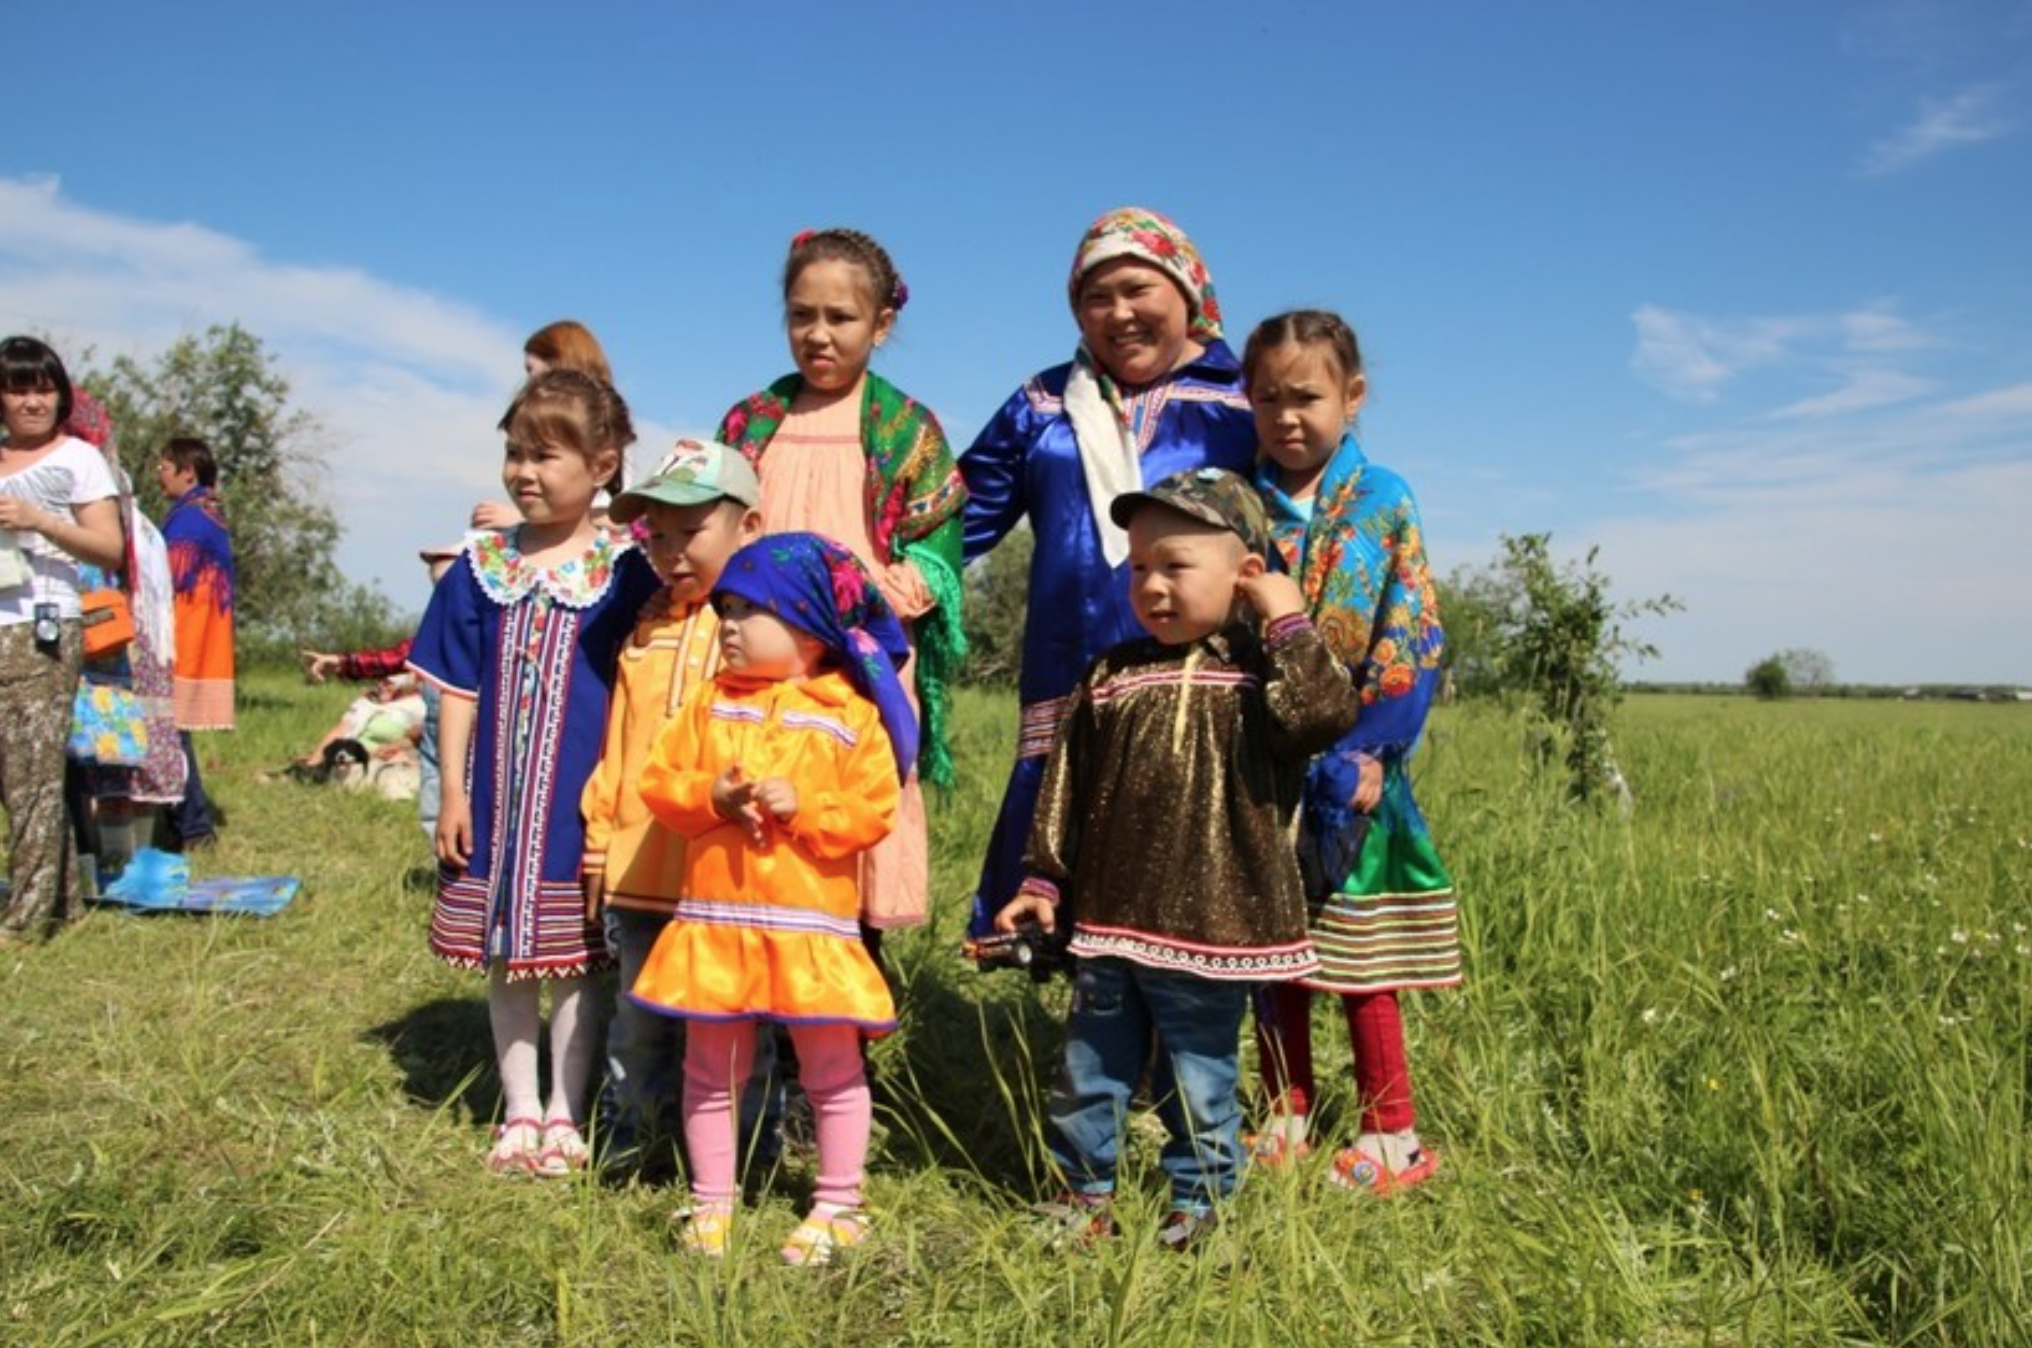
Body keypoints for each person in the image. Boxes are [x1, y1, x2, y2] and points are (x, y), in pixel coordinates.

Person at [992, 469, 1359, 1251]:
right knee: (1090, 1071)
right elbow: (1065, 786)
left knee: (1199, 1075)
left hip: (1214, 927)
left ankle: (1200, 1201)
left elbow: (1324, 713)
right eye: (1139, 568)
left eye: (1176, 565)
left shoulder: (1263, 676)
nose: (1153, 585)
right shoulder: (1112, 676)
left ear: (1244, 573)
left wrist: (1286, 616)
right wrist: (1041, 878)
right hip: (1110, 922)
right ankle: (1082, 1193)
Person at [960, 207, 1256, 935]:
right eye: (1096, 297)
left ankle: (1180, 1045)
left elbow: (1306, 517)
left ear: (1187, 291)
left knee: (1181, 887)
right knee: (1064, 879)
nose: (1118, 313)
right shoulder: (1043, 405)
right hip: (1069, 673)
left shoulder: (1243, 403)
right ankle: (1092, 1043)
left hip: (1200, 682)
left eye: (1137, 289)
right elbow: (954, 517)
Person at [628, 532, 915, 1267]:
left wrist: (806, 804)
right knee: (709, 1071)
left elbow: (872, 809)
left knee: (831, 1071)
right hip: (717, 928)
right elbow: (661, 782)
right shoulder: (708, 705)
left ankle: (840, 1202)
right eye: (724, 608)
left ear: (812, 632)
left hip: (808, 931)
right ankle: (712, 1202)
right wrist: (711, 796)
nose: (726, 624)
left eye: (748, 611)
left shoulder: (850, 715)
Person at [408, 369, 660, 1177]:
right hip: (496, 803)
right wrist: (451, 791)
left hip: (581, 807)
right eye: (515, 453)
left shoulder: (627, 570)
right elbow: (455, 688)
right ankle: (517, 1110)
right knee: (506, 955)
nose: (524, 472)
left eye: (546, 455)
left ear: (604, 464)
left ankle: (566, 1111)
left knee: (583, 960)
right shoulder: (482, 566)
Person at [1244, 311, 1459, 1194]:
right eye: (1268, 399)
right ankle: (1283, 1109)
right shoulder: (1236, 501)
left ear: (1352, 397)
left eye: (1308, 397)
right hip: (1257, 761)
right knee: (1272, 952)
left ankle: (1390, 1136)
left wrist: (1373, 752)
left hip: (1354, 768)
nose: (1288, 417)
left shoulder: (1385, 499)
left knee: (1364, 960)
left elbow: (1412, 633)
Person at [715, 227, 965, 942]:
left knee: (845, 820)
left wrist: (856, 607)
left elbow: (936, 551)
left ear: (882, 324)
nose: (818, 335)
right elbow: (713, 523)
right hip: (757, 663)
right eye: (802, 316)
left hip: (862, 664)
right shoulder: (751, 421)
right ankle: (757, 1025)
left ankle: (847, 1028)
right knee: (758, 818)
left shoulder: (906, 429)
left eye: (841, 318)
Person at [579, 440, 764, 1174]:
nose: (672, 551)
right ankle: (634, 1144)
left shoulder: (764, 639)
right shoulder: (643, 635)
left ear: (748, 529)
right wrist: (599, 845)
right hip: (639, 873)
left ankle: (745, 1153)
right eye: (658, 534)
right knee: (639, 1023)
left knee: (736, 1023)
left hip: (728, 880)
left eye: (693, 532)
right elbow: (619, 754)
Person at [0, 337, 125, 942]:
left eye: (43, 388)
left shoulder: (79, 458)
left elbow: (110, 546)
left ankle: (23, 925)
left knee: (33, 775)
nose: (31, 402)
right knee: (19, 776)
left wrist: (40, 520)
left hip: (45, 627)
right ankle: (63, 905)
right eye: (18, 388)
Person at [61, 392, 184, 877]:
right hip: (117, 638)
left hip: (101, 638)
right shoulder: (123, 500)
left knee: (87, 764)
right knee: (90, 764)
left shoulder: (95, 489)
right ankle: (102, 862)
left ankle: (101, 863)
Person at [300, 543, 462, 837]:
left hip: (478, 735)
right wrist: (343, 662)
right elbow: (394, 657)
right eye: (437, 587)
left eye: (448, 586)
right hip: (438, 731)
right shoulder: (437, 629)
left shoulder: (494, 626)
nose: (443, 595)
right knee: (434, 803)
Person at [472, 321, 622, 533]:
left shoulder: (605, 430)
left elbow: (626, 518)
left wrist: (517, 520)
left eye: (531, 370)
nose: (528, 380)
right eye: (514, 454)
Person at [158, 437, 235, 851]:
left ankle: (193, 828)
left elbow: (167, 576)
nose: (159, 474)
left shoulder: (191, 519)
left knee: (169, 733)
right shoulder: (208, 513)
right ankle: (183, 825)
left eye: (165, 466)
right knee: (171, 732)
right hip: (194, 635)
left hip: (182, 637)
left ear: (188, 471)